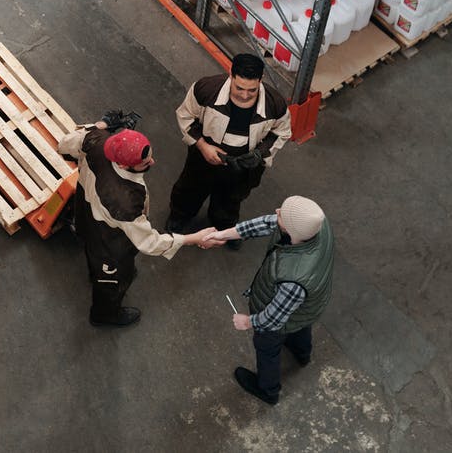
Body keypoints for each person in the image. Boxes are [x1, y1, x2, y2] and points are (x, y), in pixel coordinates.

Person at [58, 118, 216, 327]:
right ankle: (104, 315)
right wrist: (191, 238)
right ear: (123, 164)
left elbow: (64, 144)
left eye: (150, 156)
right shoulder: (124, 202)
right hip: (109, 241)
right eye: (145, 163)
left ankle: (94, 273)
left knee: (90, 248)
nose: (152, 162)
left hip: (86, 215)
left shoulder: (96, 138)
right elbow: (149, 242)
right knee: (113, 281)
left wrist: (102, 124)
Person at [204, 195, 334, 405]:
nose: (276, 211)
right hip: (309, 307)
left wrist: (248, 322)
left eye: (281, 214)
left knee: (267, 348)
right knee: (300, 326)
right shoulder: (316, 223)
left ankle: (268, 390)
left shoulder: (294, 281)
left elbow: (273, 319)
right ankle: (302, 355)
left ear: (290, 230)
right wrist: (224, 235)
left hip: (284, 315)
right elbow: (267, 223)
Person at [167, 53, 292, 249]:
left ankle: (224, 228)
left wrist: (260, 153)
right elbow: (185, 116)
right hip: (203, 158)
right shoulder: (206, 90)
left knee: (231, 199)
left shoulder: (275, 105)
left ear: (261, 80)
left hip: (243, 165)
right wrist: (202, 146)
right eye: (239, 87)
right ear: (231, 75)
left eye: (251, 90)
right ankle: (179, 217)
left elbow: (281, 133)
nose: (244, 95)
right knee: (189, 189)